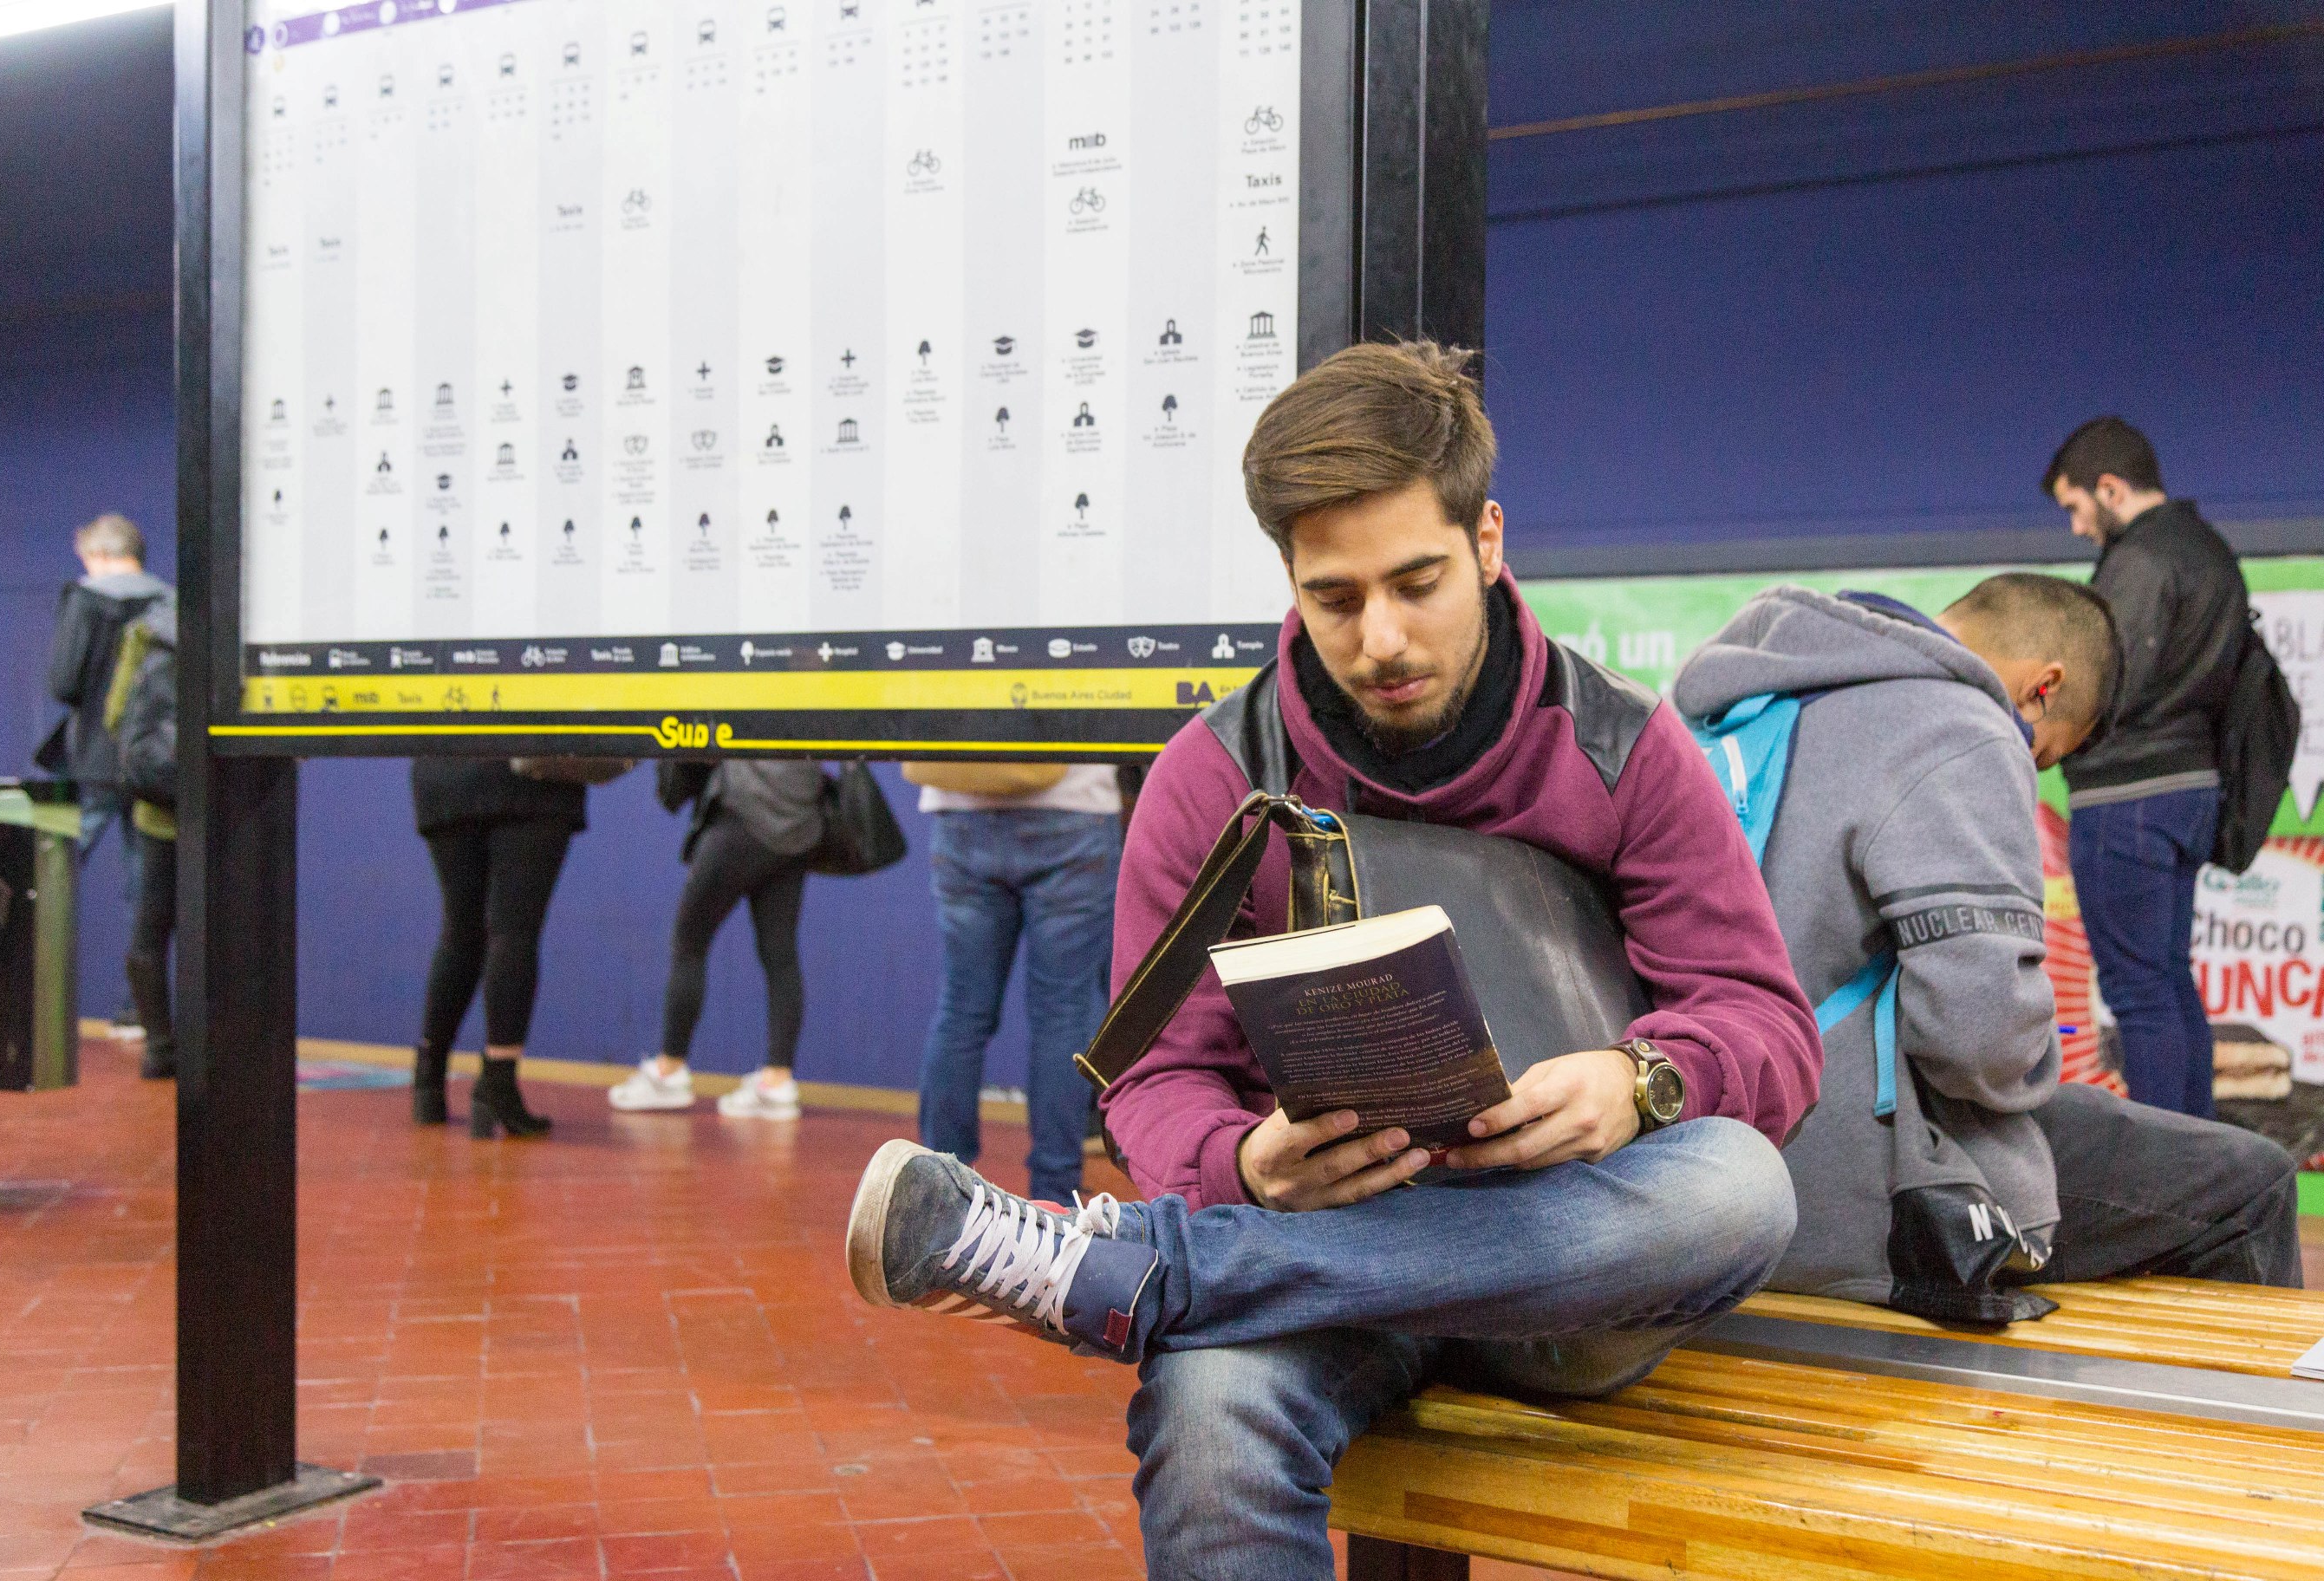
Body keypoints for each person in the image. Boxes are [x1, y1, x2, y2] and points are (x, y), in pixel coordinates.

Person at [843, 342, 1823, 1580]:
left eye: (1418, 580)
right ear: (1294, 583)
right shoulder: (1215, 775)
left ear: (1489, 541)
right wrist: (1240, 1160)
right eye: (1335, 597)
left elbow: (1769, 1030)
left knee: (1740, 1187)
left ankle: (1145, 1276)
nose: (1383, 637)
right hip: (1327, 1278)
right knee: (1208, 1419)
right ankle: (1189, 1274)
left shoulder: (1627, 749)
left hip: (1578, 1264)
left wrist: (1641, 1084)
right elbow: (1153, 1078)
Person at [1676, 576, 2301, 1314]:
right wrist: (2042, 1052)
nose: (2027, 762)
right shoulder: (1959, 726)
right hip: (1866, 1195)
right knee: (2253, 1182)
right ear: (2042, 690)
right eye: (2042, 756)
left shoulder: (1729, 706)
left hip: (1696, 1165)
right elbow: (1980, 1044)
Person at [2045, 418, 2250, 1117]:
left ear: (2110, 487)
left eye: (2076, 506)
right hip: (2193, 793)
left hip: (2126, 797)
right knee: (2166, 982)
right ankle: (2202, 1164)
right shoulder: (2211, 551)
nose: (2076, 527)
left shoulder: (2139, 562)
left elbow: (2105, 684)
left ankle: (2169, 1180)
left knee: (2139, 994)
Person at [903, 761, 1123, 1207]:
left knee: (961, 1012)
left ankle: (942, 1198)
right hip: (1075, 810)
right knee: (1063, 1016)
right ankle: (1057, 1200)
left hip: (960, 809)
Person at [607, 758, 826, 1117]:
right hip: (798, 822)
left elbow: (703, 735)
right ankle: (777, 1081)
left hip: (742, 814)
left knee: (689, 940)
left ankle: (668, 1072)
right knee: (781, 954)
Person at [409, 759, 590, 1136]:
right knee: (514, 932)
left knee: (460, 929)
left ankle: (429, 1080)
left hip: (446, 767)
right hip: (531, 772)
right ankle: (497, 1084)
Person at [46, 513, 172, 1035]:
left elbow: (64, 682)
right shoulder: (169, 602)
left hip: (96, 760)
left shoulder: (84, 598)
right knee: (144, 892)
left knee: (49, 872)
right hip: (150, 766)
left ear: (95, 554)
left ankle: (29, 995)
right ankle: (139, 1013)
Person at [100, 593, 178, 1079]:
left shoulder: (151, 632)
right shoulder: (248, 628)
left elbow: (115, 716)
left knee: (150, 931)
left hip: (159, 809)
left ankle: (161, 1048)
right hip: (224, 812)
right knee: (218, 933)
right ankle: (206, 1043)